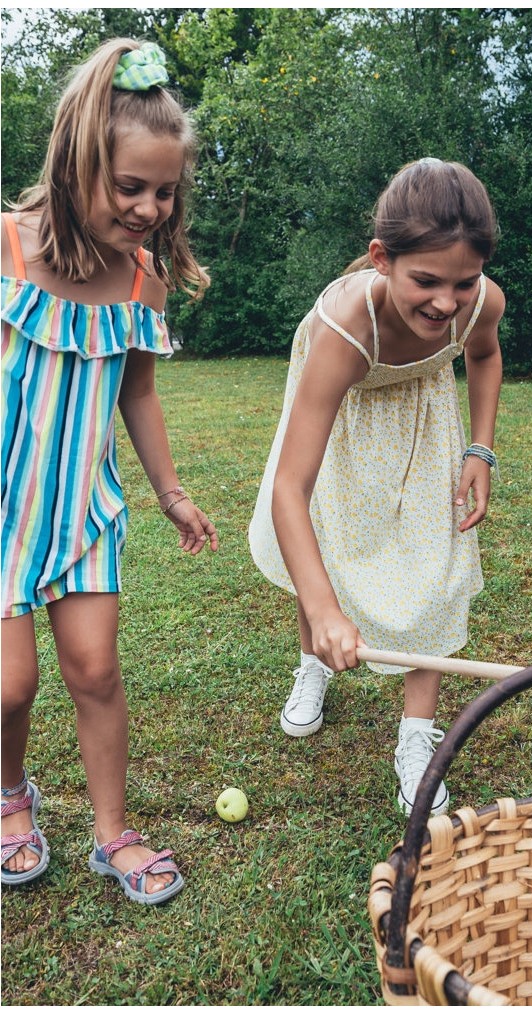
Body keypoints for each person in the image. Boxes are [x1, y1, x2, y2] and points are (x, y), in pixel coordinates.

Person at [1, 39, 218, 902]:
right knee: (10, 682)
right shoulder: (8, 250)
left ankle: (111, 831)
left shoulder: (141, 283)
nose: (148, 207)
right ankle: (10, 796)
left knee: (95, 669)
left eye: (164, 191)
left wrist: (170, 491)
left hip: (82, 512)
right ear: (76, 160)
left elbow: (138, 393)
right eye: (129, 186)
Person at [249, 158, 505, 816]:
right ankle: (312, 662)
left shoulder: (481, 301)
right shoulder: (345, 324)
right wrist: (328, 609)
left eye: (462, 281)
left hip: (426, 420)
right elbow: (290, 489)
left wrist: (480, 445)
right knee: (327, 548)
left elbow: (484, 354)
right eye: (425, 280)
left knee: (435, 569)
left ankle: (416, 738)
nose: (445, 302)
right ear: (381, 259)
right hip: (342, 418)